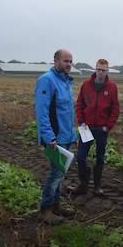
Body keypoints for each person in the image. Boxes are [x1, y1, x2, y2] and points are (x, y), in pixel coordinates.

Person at [35, 49, 77, 224]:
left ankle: (56, 206)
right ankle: (46, 210)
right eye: (65, 61)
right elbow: (42, 112)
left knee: (60, 174)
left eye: (70, 61)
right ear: (56, 61)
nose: (68, 64)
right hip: (54, 139)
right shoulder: (47, 81)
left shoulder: (66, 82)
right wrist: (49, 137)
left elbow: (67, 112)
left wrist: (72, 135)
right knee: (55, 174)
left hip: (65, 136)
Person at [74, 59, 120, 196]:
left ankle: (97, 186)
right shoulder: (86, 85)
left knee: (100, 158)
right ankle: (84, 182)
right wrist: (81, 121)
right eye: (98, 69)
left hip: (102, 129)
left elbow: (115, 108)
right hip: (86, 127)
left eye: (103, 70)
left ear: (107, 71)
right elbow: (79, 104)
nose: (100, 72)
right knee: (81, 157)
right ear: (95, 69)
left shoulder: (112, 87)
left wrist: (108, 126)